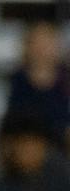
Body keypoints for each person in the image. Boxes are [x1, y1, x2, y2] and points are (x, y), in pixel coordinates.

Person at [5, 20, 70, 148]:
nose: (42, 50)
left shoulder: (66, 79)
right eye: (38, 43)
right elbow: (12, 124)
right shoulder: (19, 80)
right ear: (28, 46)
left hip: (62, 147)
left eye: (47, 43)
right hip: (26, 148)